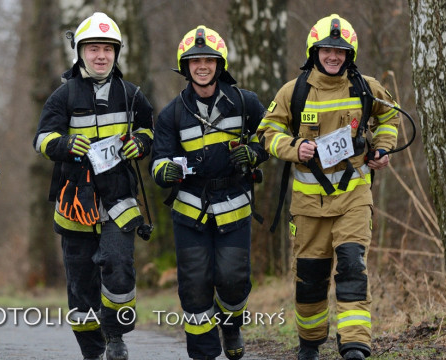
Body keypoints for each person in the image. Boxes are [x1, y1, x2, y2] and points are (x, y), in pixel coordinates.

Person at [256, 14, 400, 360]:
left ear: (350, 54)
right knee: (311, 279)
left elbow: (390, 117)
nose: (333, 56)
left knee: (352, 266)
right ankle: (310, 341)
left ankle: (355, 344)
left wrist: (382, 148)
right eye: (327, 50)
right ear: (314, 51)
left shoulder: (366, 87)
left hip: (354, 197)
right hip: (308, 207)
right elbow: (266, 133)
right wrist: (294, 148)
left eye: (341, 50)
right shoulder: (294, 91)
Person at [33, 12, 154, 360]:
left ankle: (115, 336)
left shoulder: (132, 94)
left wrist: (141, 144)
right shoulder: (62, 95)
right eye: (93, 49)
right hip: (75, 201)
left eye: (107, 49)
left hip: (119, 198)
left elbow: (150, 130)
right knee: (81, 284)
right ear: (80, 52)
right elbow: (41, 140)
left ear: (116, 53)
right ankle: (92, 351)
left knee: (118, 264)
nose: (100, 56)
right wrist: (66, 145)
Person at [151, 25, 268, 360]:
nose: (202, 65)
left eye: (209, 60)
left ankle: (231, 325)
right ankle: (203, 353)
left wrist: (255, 152)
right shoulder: (171, 113)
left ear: (220, 64)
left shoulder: (245, 103)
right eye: (194, 60)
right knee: (194, 287)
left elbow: (271, 134)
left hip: (234, 206)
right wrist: (165, 171)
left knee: (233, 280)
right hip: (189, 211)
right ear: (185, 67)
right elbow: (157, 161)